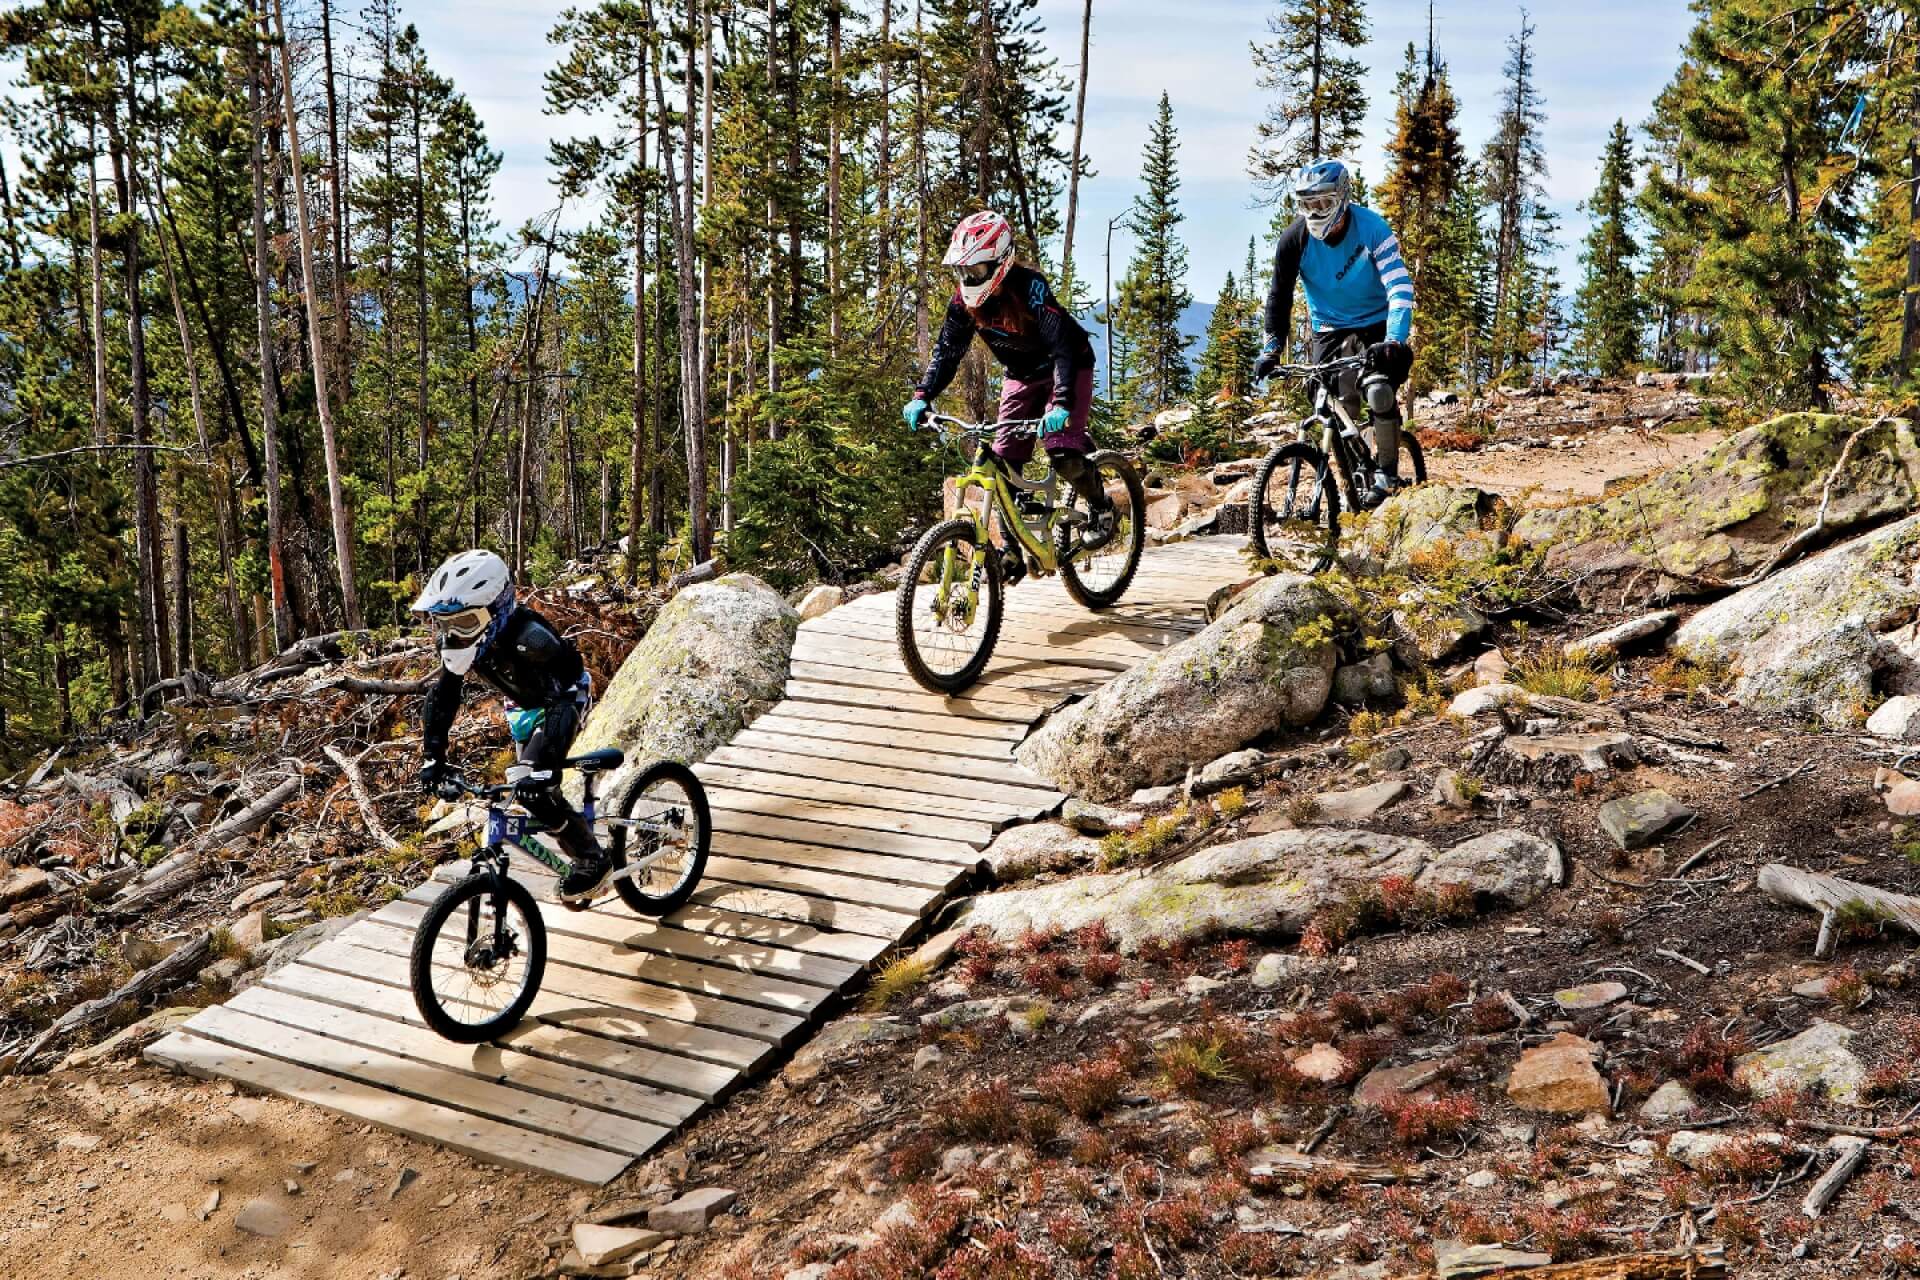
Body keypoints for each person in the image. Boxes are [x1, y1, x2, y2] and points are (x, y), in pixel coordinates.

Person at [903, 211, 1115, 581]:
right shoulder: (963, 302)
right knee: (1001, 462)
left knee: (1062, 452)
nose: (969, 278)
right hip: (1021, 376)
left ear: (1001, 261)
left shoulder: (1030, 287)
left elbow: (1061, 346)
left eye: (977, 269)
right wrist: (923, 395)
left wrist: (1062, 401)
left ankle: (1102, 507)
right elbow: (947, 352)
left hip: (1067, 366)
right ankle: (1009, 550)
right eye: (964, 271)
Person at [412, 549, 609, 904]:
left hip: (561, 699)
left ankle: (592, 858)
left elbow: (568, 685)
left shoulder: (532, 639)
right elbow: (443, 697)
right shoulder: (466, 641)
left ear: (496, 609)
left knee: (530, 781)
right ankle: (568, 823)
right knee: (536, 794)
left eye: (464, 623)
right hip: (520, 705)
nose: (453, 635)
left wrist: (543, 761)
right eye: (444, 623)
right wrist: (432, 757)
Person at [1255, 159, 1416, 509]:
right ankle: (1353, 478)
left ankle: (1386, 474)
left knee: (1377, 390)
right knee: (1331, 400)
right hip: (1327, 327)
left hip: (1376, 320)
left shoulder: (1373, 228)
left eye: (1323, 204)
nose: (1315, 212)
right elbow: (1278, 298)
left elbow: (1400, 288)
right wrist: (1270, 350)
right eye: (1307, 204)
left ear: (1342, 199)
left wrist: (1394, 339)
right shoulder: (1293, 241)